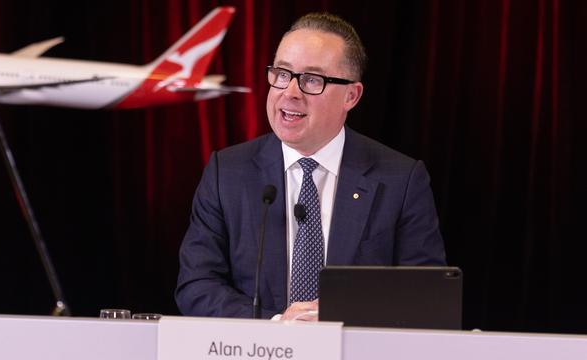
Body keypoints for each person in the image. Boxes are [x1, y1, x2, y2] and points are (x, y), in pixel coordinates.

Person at [175, 12, 446, 321]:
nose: (290, 92)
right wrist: (278, 326)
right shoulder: (227, 172)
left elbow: (425, 298)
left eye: (312, 80)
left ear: (351, 95)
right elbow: (197, 285)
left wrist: (340, 320)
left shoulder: (401, 179)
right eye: (282, 73)